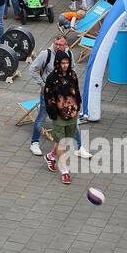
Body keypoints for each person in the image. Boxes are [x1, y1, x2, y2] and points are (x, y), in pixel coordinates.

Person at [41, 51, 83, 185]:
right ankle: (65, 171)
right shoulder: (52, 78)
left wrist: (79, 104)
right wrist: (52, 112)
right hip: (58, 115)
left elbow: (76, 90)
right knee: (61, 142)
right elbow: (48, 96)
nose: (65, 65)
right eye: (63, 63)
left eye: (67, 62)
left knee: (65, 141)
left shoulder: (72, 75)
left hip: (72, 113)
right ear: (58, 63)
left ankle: (51, 156)